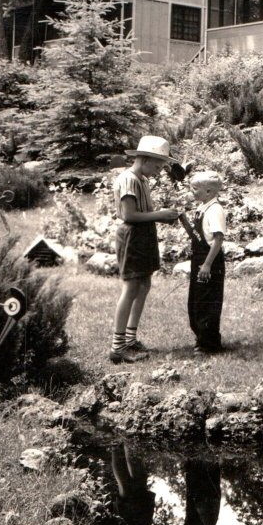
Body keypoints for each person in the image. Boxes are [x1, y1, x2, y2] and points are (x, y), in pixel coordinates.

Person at [111, 135, 180, 364]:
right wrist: (160, 215)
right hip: (132, 235)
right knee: (131, 287)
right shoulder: (128, 179)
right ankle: (117, 346)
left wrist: (160, 217)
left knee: (144, 284)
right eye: (158, 165)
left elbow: (142, 213)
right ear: (145, 159)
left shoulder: (142, 179)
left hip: (144, 234)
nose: (160, 170)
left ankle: (130, 339)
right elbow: (129, 215)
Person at [179, 171, 226, 355]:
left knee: (207, 302)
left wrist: (207, 265)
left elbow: (218, 239)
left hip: (210, 261)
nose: (192, 191)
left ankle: (209, 343)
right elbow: (197, 236)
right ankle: (201, 338)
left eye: (195, 188)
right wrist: (183, 219)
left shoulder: (215, 210)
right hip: (198, 258)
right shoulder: (203, 208)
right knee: (196, 301)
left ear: (208, 191)